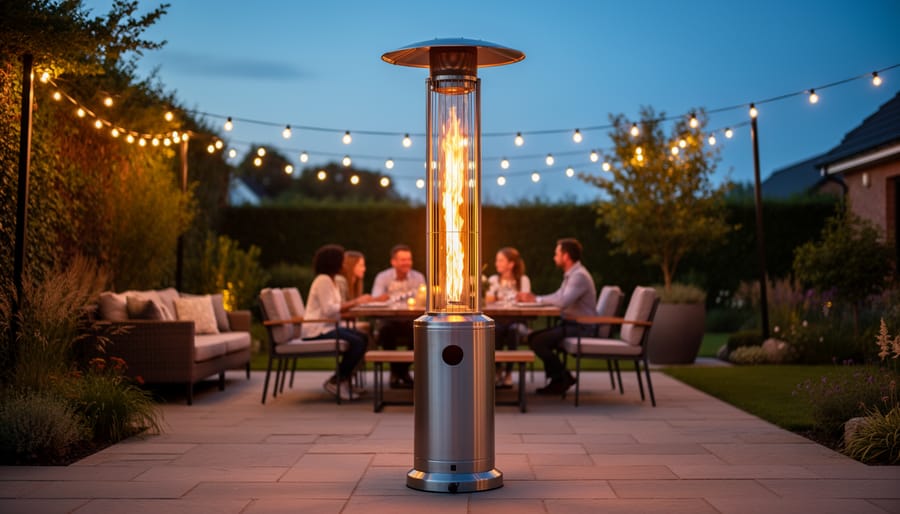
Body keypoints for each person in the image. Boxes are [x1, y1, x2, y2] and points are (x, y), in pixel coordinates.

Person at [517, 238, 597, 395]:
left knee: (538, 340)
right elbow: (559, 295)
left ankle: (561, 379)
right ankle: (561, 378)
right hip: (572, 324)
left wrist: (536, 299)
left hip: (582, 327)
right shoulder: (572, 274)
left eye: (557, 254)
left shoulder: (579, 276)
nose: (554, 257)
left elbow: (563, 301)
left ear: (565, 256)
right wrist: (536, 298)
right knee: (534, 338)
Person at [301, 244, 371, 401]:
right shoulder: (323, 280)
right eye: (343, 260)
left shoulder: (331, 281)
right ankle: (337, 381)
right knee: (358, 342)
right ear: (334, 262)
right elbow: (329, 310)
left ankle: (343, 380)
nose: (345, 264)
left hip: (328, 326)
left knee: (363, 338)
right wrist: (356, 302)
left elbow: (334, 310)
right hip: (317, 329)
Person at [371, 244, 426, 388]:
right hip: (390, 320)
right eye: (402, 260)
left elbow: (425, 300)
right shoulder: (383, 277)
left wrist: (390, 297)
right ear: (393, 262)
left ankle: (400, 371)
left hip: (410, 320)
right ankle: (400, 373)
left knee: (420, 333)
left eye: (409, 259)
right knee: (386, 331)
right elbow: (376, 298)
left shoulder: (418, 277)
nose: (406, 263)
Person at [484, 247, 531, 387]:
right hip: (498, 320)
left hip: (517, 320)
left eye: (500, 260)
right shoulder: (493, 280)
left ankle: (509, 372)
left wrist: (498, 297)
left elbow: (525, 298)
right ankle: (497, 370)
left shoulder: (523, 280)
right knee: (495, 330)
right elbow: (488, 299)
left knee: (513, 330)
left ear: (511, 264)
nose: (496, 263)